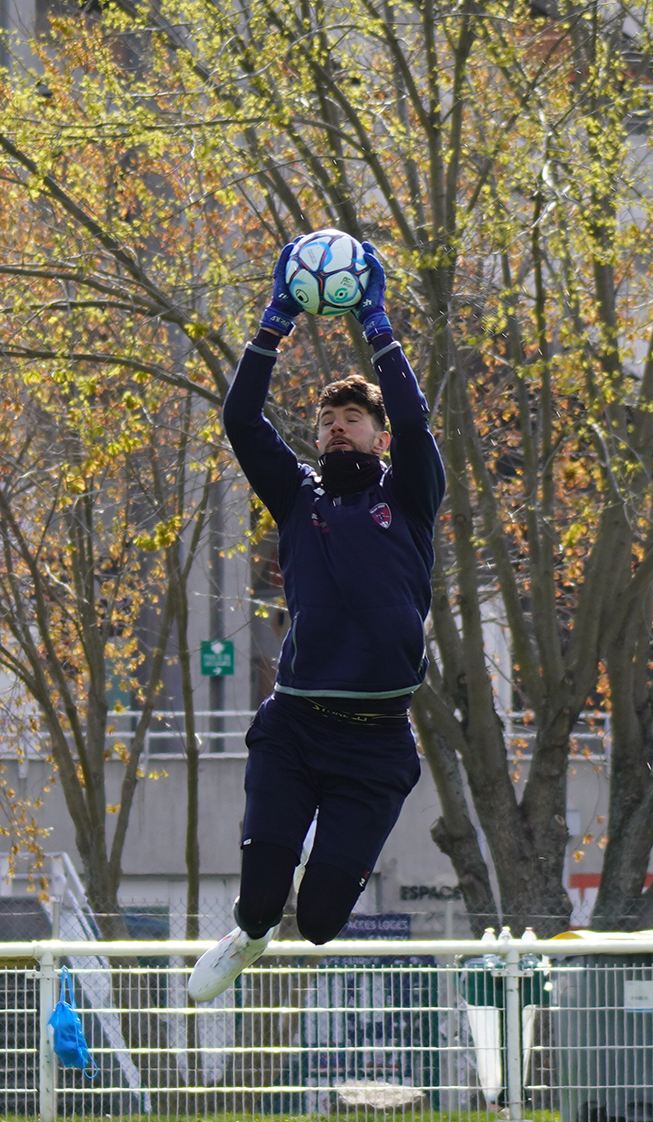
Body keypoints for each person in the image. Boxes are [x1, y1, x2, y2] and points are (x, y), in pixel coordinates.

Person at [188, 239, 445, 1002]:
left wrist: (377, 322)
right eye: (328, 417)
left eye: (353, 417)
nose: (337, 426)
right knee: (263, 902)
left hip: (376, 743)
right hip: (296, 727)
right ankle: (248, 931)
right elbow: (240, 418)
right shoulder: (299, 497)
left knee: (325, 921)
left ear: (379, 433)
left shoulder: (410, 496)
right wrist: (272, 325)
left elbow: (417, 418)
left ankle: (277, 923)